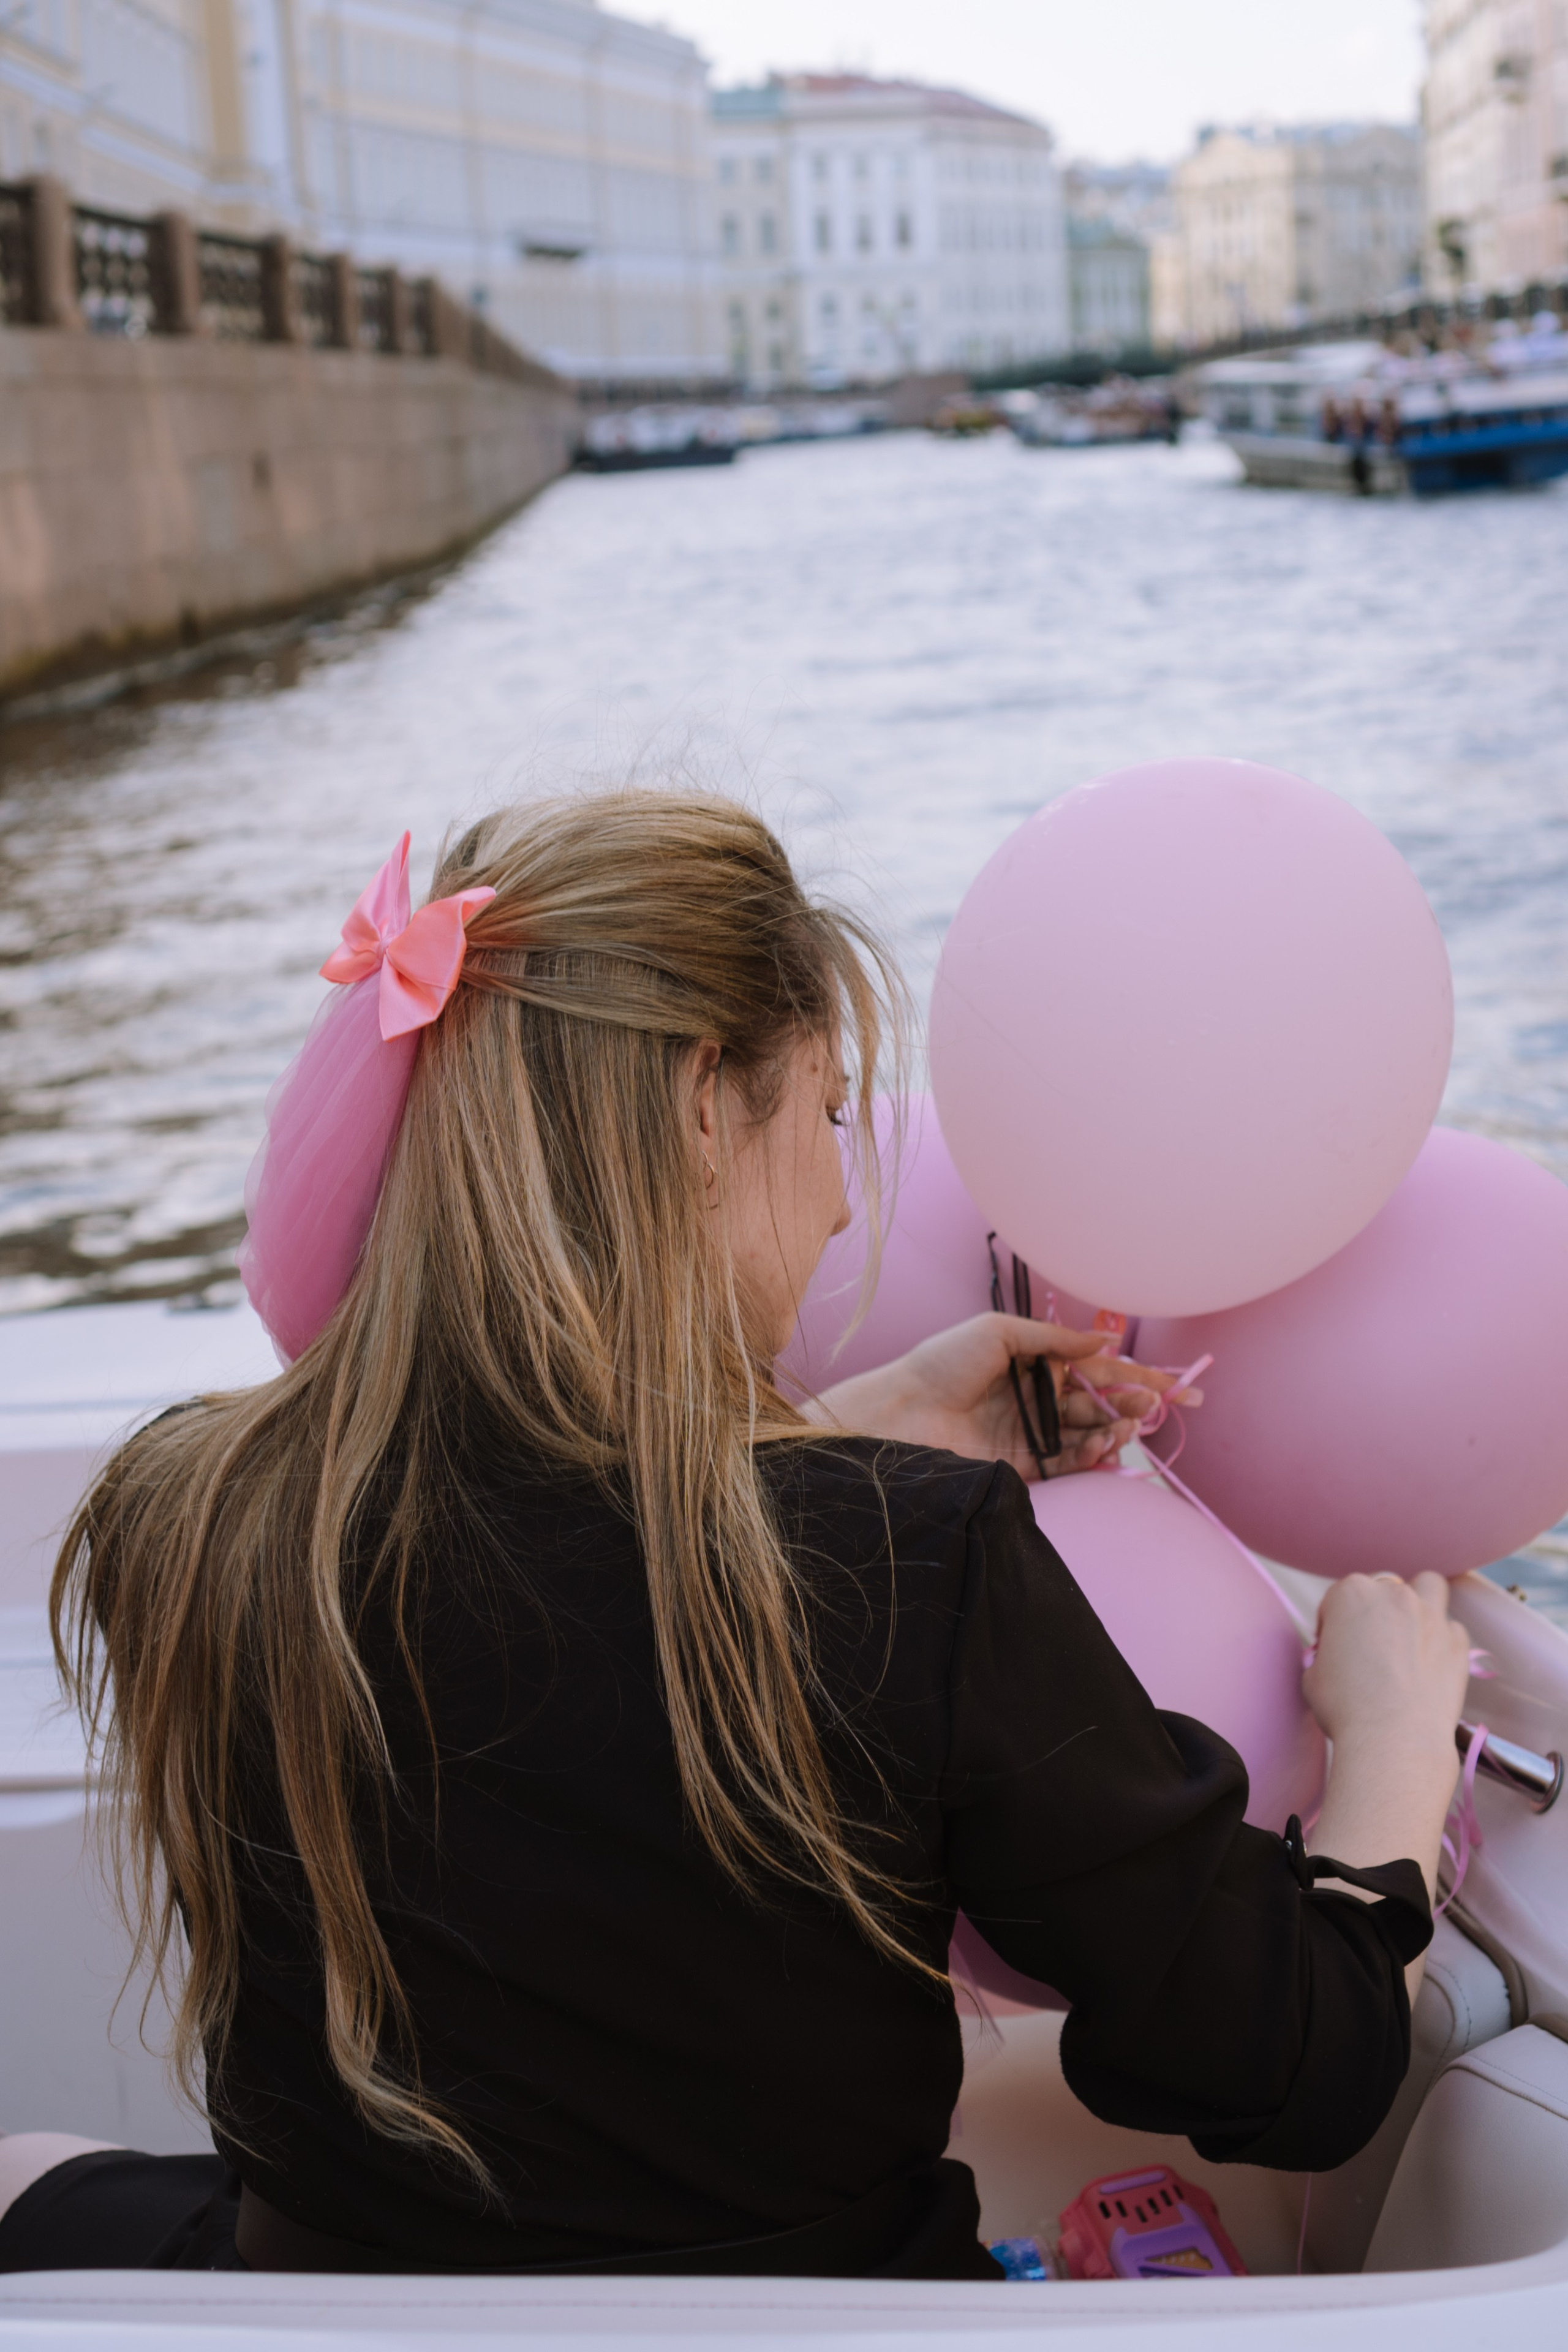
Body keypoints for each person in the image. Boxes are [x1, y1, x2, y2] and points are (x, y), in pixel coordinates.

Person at [0, 791, 1469, 2279]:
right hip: (801, 2315)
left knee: (31, 2173)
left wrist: (844, 1434)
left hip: (337, 2303)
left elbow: (548, 1589)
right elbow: (1286, 2060)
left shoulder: (180, 1512)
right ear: (704, 1107)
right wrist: (1395, 1744)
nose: (838, 1205)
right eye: (827, 1112)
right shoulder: (910, 1565)